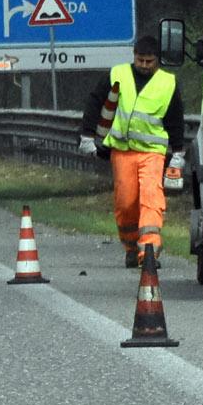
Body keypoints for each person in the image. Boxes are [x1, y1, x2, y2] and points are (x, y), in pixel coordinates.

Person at [79, 35, 185, 268]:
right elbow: (95, 102)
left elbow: (176, 119)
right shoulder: (117, 74)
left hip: (153, 152)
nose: (144, 66)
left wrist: (178, 152)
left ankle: (148, 250)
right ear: (134, 56)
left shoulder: (168, 83)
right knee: (126, 203)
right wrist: (87, 135)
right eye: (140, 60)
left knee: (151, 198)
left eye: (149, 61)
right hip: (122, 151)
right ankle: (130, 245)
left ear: (157, 60)